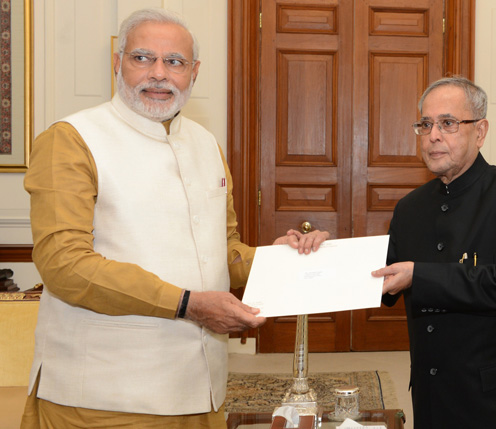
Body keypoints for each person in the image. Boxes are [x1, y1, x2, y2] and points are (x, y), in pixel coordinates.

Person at [21, 8, 328, 429]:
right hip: (105, 396)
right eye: (143, 58)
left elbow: (223, 252)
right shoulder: (72, 139)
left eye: (175, 62)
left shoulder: (205, 144)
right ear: (117, 63)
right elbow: (65, 266)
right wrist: (189, 305)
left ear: (194, 72)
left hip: (201, 390)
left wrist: (280, 259)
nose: (159, 74)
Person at [372, 77, 496, 428]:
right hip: (434, 396)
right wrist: (319, 250)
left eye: (448, 123)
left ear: (480, 131)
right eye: (425, 124)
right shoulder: (410, 208)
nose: (433, 135)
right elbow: (380, 275)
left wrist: (421, 275)